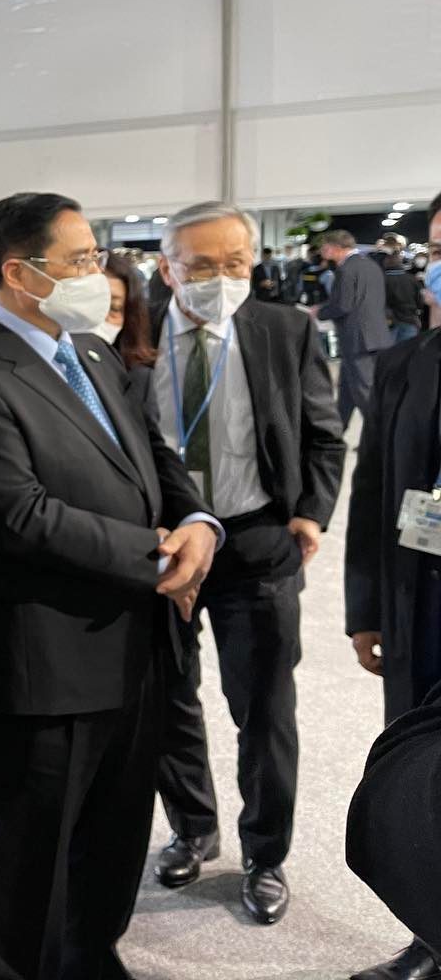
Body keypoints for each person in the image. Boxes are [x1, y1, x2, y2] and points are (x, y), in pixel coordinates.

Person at [0, 192, 218, 980]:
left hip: (135, 646)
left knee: (114, 838)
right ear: (20, 274)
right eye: (81, 259)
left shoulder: (89, 353)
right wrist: (155, 554)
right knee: (32, 857)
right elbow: (21, 517)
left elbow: (154, 454)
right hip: (45, 662)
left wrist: (198, 523)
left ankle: (93, 958)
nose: (98, 271)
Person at [143, 203, 344, 926]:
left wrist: (311, 510)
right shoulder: (130, 338)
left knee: (264, 709)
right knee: (165, 699)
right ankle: (192, 827)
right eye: (201, 265)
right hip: (161, 545)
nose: (221, 278)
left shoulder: (284, 329)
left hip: (255, 541)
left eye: (235, 263)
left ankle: (265, 853)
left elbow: (324, 433)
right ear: (166, 267)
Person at [344, 191, 441, 980]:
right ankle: (430, 934)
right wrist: (366, 610)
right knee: (416, 776)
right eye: (439, 250)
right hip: (423, 603)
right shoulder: (405, 364)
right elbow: (373, 493)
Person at [315, 229, 393, 426]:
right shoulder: (371, 265)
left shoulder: (345, 270)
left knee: (365, 392)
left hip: (358, 340)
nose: (323, 251)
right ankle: (336, 432)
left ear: (336, 248)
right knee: (347, 392)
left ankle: (381, 437)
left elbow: (343, 305)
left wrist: (318, 312)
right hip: (375, 337)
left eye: (325, 247)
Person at [378, 233, 424, 346]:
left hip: (389, 322)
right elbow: (420, 301)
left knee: (389, 352)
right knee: (407, 351)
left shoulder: (381, 280)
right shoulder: (412, 279)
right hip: (410, 320)